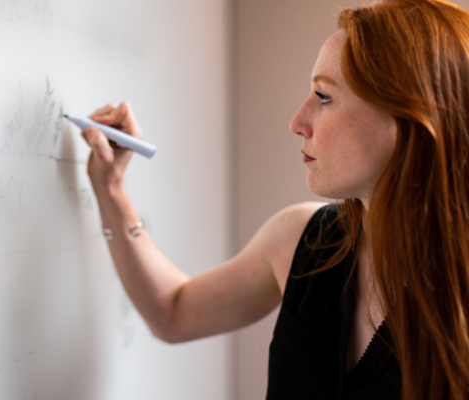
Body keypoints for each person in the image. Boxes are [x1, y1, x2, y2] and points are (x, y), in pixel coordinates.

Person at [79, 0, 469, 398]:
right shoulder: (302, 240)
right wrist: (111, 189)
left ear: (409, 119)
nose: (297, 122)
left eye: (324, 96)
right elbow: (173, 313)